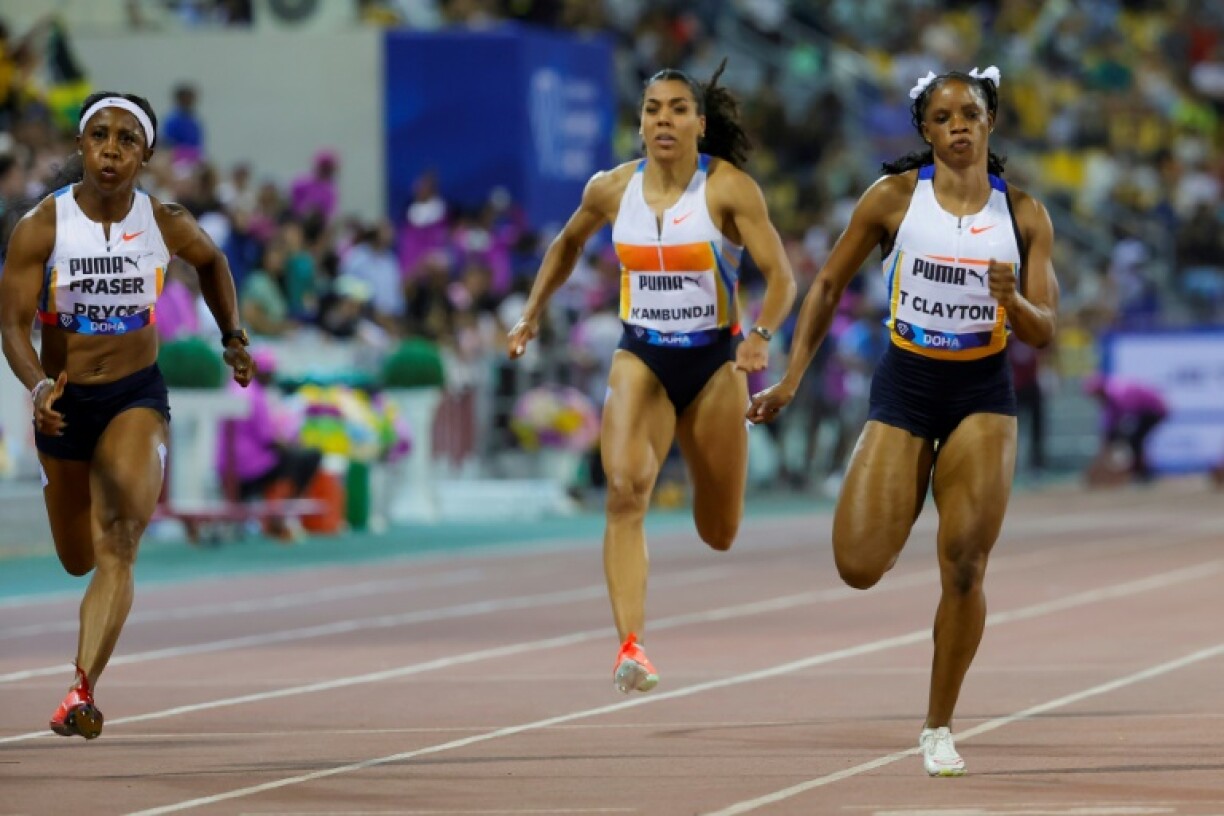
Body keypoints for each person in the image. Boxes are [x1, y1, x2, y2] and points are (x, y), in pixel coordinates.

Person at [748, 66, 1059, 776]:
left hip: (982, 389)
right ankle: (909, 482)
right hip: (908, 384)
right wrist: (793, 377)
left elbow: (1045, 330)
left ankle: (938, 727)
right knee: (857, 566)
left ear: (990, 124)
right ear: (925, 129)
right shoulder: (892, 199)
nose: (957, 126)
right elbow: (826, 284)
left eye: (969, 114)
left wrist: (1014, 305)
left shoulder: (1026, 215)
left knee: (965, 566)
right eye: (943, 116)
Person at [507, 61, 797, 695]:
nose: (663, 119)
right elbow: (566, 245)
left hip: (714, 364)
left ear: (698, 122)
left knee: (719, 532)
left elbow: (783, 278)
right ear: (640, 124)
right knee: (623, 491)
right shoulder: (612, 189)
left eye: (676, 109)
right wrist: (531, 313)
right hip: (641, 357)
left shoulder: (728, 190)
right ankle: (631, 646)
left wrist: (759, 336)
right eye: (652, 109)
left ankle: (702, 477)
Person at [0, 92, 253, 739]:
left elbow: (213, 262)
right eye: (99, 137)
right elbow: (11, 324)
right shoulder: (42, 227)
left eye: (126, 140)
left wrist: (233, 336)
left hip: (135, 397)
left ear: (145, 155)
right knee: (77, 557)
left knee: (118, 543)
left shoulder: (165, 222)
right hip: (61, 403)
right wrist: (35, 389)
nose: (111, 151)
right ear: (81, 147)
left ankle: (81, 691)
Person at [217, 347, 322, 541]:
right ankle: (282, 513)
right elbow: (269, 439)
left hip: (225, 468)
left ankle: (279, 511)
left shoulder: (233, 387)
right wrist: (292, 446)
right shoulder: (255, 394)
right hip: (250, 470)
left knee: (292, 457)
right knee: (306, 457)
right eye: (270, 373)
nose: (272, 378)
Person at [1082, 373, 1168, 484]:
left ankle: (1142, 474)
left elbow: (1130, 418)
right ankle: (1139, 473)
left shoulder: (1120, 393)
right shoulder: (1109, 400)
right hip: (1140, 412)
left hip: (1154, 410)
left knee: (1135, 440)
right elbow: (1109, 428)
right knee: (1128, 439)